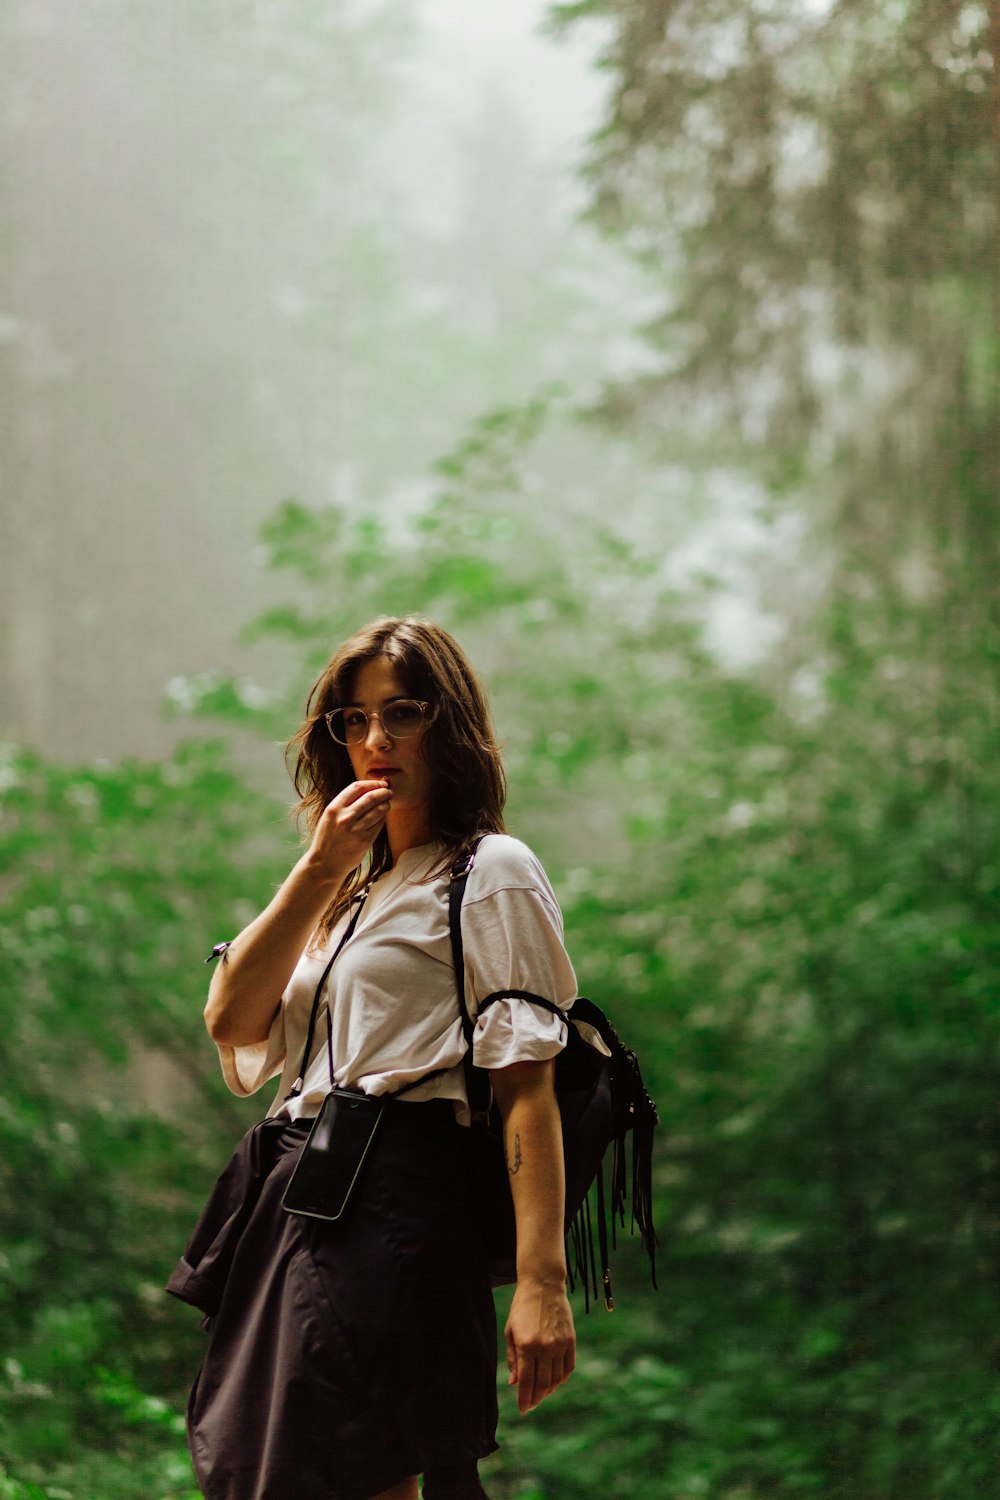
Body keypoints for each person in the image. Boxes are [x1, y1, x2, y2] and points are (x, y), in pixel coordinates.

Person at [168, 615, 580, 1500]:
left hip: (395, 1203)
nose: (375, 741)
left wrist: (543, 1283)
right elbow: (232, 1020)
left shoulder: (489, 869)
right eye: (352, 721)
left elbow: (527, 1089)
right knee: (261, 1471)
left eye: (402, 713)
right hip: (289, 1201)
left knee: (355, 1465)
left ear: (451, 723)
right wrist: (320, 866)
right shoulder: (343, 887)